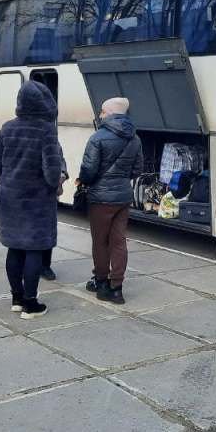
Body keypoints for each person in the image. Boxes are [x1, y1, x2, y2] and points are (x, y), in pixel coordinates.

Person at [0, 81, 65, 320]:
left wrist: (8, 176)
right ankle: (31, 304)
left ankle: (16, 299)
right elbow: (52, 172)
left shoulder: (8, 128)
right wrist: (56, 183)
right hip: (38, 199)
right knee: (34, 249)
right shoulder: (46, 131)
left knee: (15, 247)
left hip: (11, 196)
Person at [78, 97, 144, 304]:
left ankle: (101, 283)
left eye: (102, 112)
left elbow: (88, 172)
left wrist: (85, 182)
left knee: (100, 242)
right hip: (123, 197)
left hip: (100, 199)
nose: (100, 115)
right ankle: (117, 288)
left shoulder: (98, 138)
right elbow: (137, 170)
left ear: (109, 113)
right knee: (118, 242)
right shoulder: (135, 139)